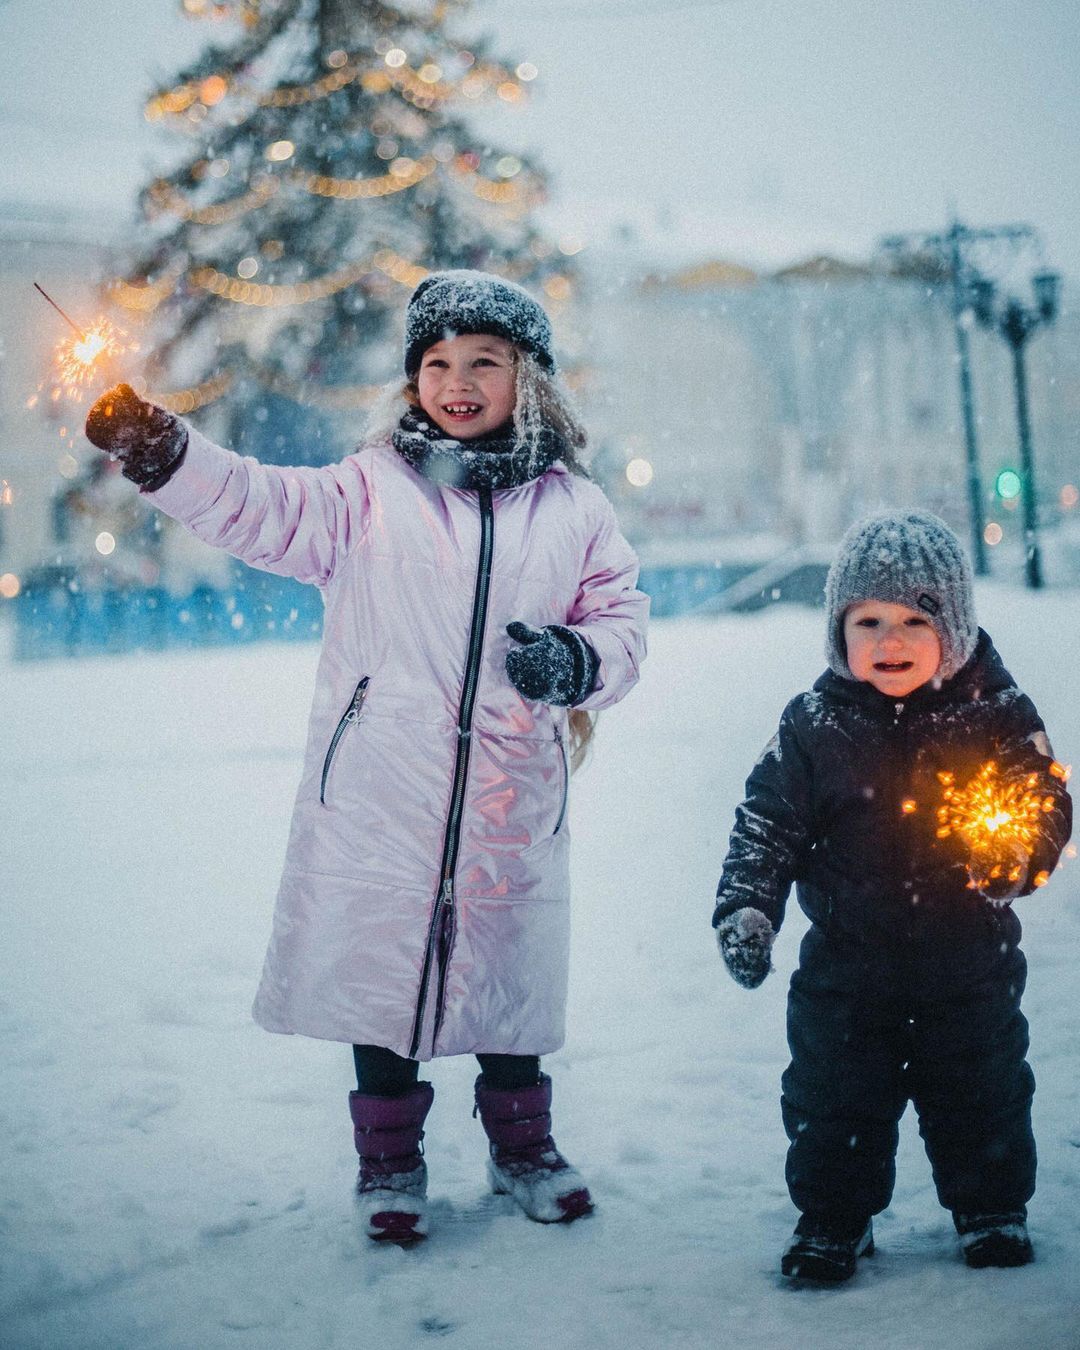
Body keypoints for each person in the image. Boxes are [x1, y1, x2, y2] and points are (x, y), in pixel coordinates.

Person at [85, 270, 648, 1244]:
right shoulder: (369, 490)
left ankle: (526, 1149)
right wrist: (170, 454)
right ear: (413, 378)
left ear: (530, 379)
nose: (457, 380)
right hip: (383, 796)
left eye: (484, 362)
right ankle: (389, 1164)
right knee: (383, 993)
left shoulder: (574, 509)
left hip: (510, 802)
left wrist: (579, 657)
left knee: (507, 994)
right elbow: (259, 506)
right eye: (437, 363)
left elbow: (623, 622)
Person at [711, 511, 1071, 1283]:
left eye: (914, 619)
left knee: (983, 1094)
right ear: (838, 628)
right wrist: (747, 906)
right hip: (847, 973)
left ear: (958, 627)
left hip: (968, 965)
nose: (890, 640)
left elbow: (1041, 801)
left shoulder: (999, 717)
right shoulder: (813, 725)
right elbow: (765, 824)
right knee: (834, 1104)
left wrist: (1014, 851)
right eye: (867, 620)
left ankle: (990, 1207)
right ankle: (834, 1220)